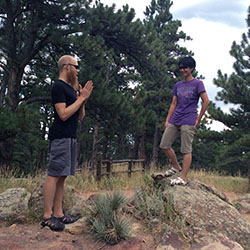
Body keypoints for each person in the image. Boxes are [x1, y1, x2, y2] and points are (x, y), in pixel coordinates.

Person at [41, 55, 93, 231]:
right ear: (67, 67)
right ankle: (47, 216)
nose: (78, 71)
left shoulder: (70, 89)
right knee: (54, 174)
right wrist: (80, 99)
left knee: (62, 176)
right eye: (76, 67)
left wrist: (82, 100)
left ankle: (59, 213)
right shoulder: (58, 87)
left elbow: (80, 116)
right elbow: (62, 114)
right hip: (60, 136)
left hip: (70, 136)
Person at [160, 56, 209, 185]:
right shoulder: (178, 85)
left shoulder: (198, 83)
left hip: (189, 119)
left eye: (185, 67)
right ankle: (176, 166)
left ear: (191, 68)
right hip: (175, 119)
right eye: (181, 67)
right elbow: (173, 103)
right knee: (164, 145)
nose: (182, 70)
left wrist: (198, 119)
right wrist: (167, 120)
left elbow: (206, 101)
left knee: (186, 149)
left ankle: (183, 177)